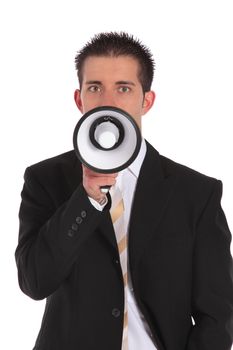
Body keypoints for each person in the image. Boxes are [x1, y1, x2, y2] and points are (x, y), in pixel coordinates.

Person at [15, 32, 233, 350]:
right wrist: (87, 198)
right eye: (95, 88)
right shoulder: (45, 180)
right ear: (80, 100)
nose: (108, 102)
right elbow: (35, 282)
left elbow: (217, 315)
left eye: (124, 88)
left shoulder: (196, 194)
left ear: (146, 100)